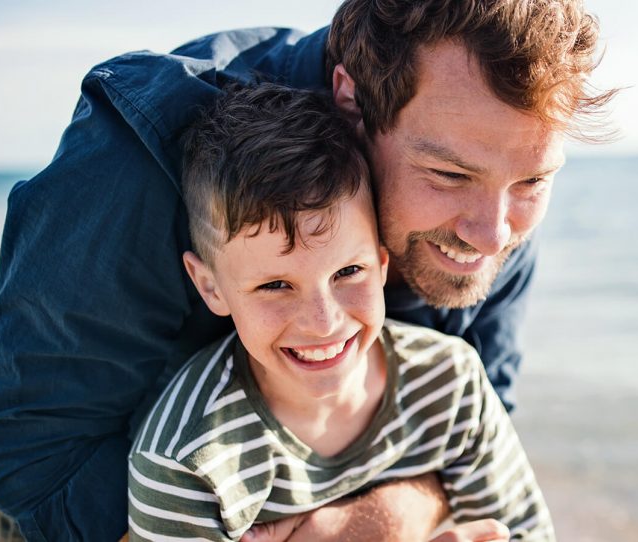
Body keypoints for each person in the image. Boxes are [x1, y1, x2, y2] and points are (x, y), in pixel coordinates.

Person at [0, 0, 615, 539]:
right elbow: (35, 475)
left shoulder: (491, 196)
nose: (493, 233)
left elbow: (480, 419)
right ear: (352, 100)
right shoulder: (129, 172)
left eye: (534, 178)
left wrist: (376, 520)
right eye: (448, 175)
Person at [127, 82, 554, 541]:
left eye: (349, 271)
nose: (324, 321)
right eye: (275, 285)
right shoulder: (186, 462)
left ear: (382, 262)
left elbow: (526, 532)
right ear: (211, 287)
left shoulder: (451, 385)